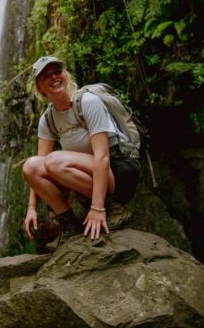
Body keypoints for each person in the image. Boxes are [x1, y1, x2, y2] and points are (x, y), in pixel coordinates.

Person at [22, 56, 139, 248]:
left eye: (57, 72)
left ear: (66, 75)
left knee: (54, 162)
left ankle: (113, 208)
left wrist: (98, 207)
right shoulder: (48, 119)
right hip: (92, 176)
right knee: (31, 166)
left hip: (119, 171)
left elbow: (102, 156)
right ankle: (69, 223)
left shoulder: (88, 102)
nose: (54, 77)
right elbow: (38, 166)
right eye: (46, 76)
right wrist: (32, 208)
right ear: (39, 88)